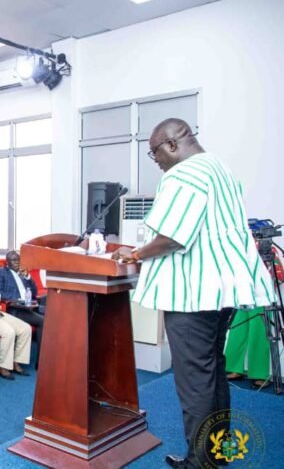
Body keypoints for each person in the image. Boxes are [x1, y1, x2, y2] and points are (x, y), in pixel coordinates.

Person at [111, 119, 274, 469]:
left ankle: (200, 462)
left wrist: (135, 254)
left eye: (154, 154)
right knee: (213, 371)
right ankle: (218, 452)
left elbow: (173, 236)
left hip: (193, 294)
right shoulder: (220, 168)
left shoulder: (183, 175)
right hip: (223, 291)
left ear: (170, 145)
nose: (155, 161)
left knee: (195, 381)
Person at [0, 251, 44, 341]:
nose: (17, 262)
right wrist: (19, 298)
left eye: (18, 259)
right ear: (7, 262)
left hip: (29, 306)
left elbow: (34, 292)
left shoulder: (22, 273)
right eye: (13, 260)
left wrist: (28, 277)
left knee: (51, 314)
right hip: (16, 309)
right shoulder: (2, 272)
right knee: (43, 321)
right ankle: (41, 354)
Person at [225, 307, 270, 388]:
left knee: (258, 335)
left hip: (261, 299)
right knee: (237, 331)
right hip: (243, 298)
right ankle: (235, 368)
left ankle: (259, 374)